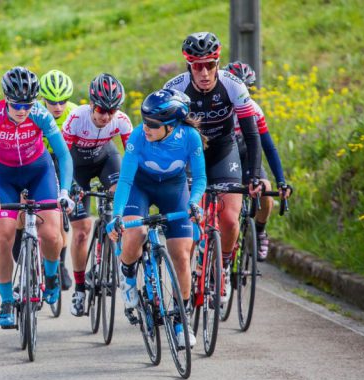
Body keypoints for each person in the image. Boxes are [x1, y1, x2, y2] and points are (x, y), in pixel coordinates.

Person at [163, 32, 262, 307]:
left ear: (218, 63)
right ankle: (185, 281)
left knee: (230, 219)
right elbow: (164, 136)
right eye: (197, 66)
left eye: (210, 65)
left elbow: (253, 136)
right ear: (188, 66)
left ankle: (225, 268)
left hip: (223, 151)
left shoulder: (233, 85)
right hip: (189, 155)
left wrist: (253, 175)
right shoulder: (175, 88)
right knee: (189, 225)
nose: (204, 72)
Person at [0, 66, 74, 329]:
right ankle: (6, 300)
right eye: (16, 104)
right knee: (4, 235)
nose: (22, 110)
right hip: (4, 176)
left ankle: (51, 276)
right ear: (6, 98)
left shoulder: (40, 114)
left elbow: (63, 155)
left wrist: (64, 192)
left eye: (27, 104)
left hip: (38, 172)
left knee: (52, 235)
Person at [107, 88, 206, 349]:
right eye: (144, 120)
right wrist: (117, 215)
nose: (146, 127)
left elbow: (200, 178)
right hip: (140, 186)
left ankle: (180, 321)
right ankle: (128, 276)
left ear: (171, 126)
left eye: (153, 124)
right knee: (135, 234)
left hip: (174, 188)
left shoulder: (191, 137)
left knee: (182, 256)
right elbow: (126, 179)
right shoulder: (138, 136)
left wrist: (195, 203)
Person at [62, 73, 133, 317]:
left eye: (111, 111)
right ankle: (80, 288)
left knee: (120, 203)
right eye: (102, 109)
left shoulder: (121, 121)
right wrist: (69, 185)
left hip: (106, 161)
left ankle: (119, 267)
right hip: (77, 167)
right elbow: (63, 157)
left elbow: (132, 158)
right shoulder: (75, 119)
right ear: (92, 104)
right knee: (81, 230)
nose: (106, 116)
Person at [224, 61, 292, 261]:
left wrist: (281, 180)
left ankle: (260, 231)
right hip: (224, 156)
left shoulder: (253, 109)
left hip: (246, 154)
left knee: (266, 189)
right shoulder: (217, 108)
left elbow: (268, 147)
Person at [38, 69, 78, 291]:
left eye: (62, 101)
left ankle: (60, 263)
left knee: (61, 213)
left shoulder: (73, 114)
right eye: (52, 101)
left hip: (63, 161)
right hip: (39, 163)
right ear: (43, 99)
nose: (58, 107)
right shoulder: (34, 113)